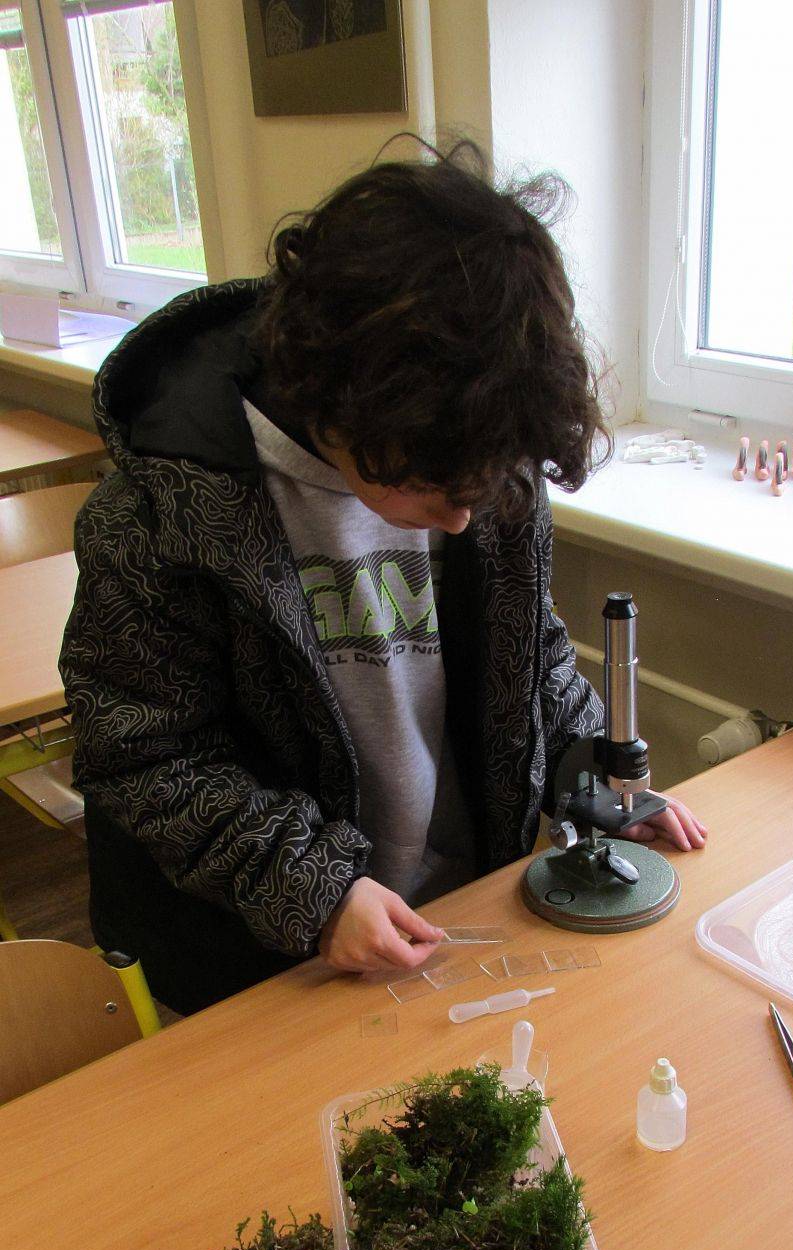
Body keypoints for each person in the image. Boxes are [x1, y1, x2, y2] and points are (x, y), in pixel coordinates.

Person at [60, 141, 705, 1016]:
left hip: (445, 915)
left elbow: (526, 658)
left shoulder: (477, 445)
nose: (463, 523)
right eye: (439, 494)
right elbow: (145, 755)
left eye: (480, 493)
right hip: (253, 957)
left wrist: (592, 779)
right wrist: (314, 890)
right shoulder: (161, 508)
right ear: (339, 397)